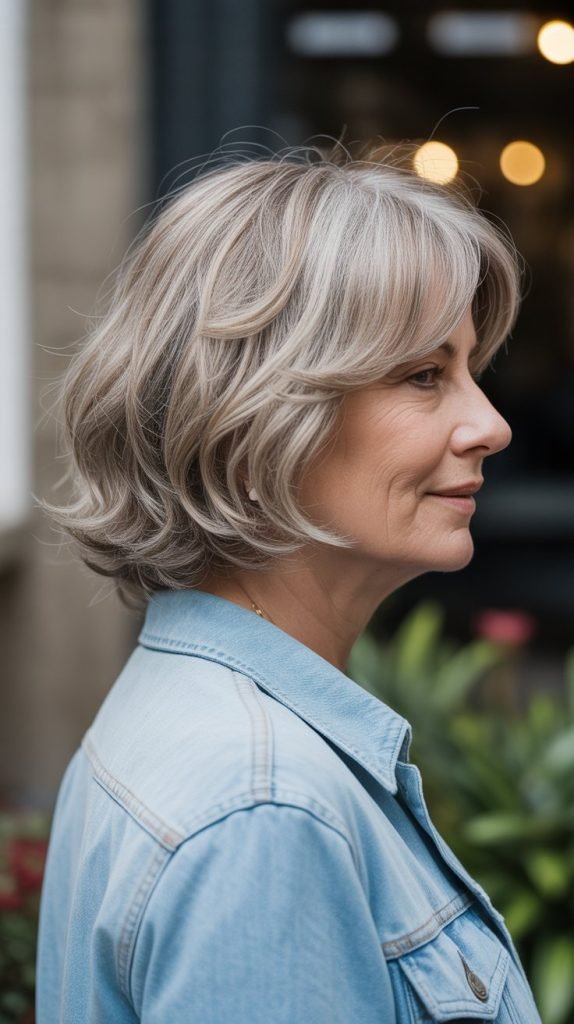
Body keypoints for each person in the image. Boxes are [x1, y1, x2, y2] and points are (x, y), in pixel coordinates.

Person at [36, 143, 542, 1023]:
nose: (489, 423)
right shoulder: (265, 807)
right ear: (258, 416)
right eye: (425, 375)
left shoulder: (197, 713)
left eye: (470, 369)